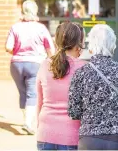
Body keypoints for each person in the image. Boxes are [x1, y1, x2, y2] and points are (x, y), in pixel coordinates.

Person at [68, 24, 118, 150]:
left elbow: (73, 112)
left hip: (90, 140)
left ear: (91, 46)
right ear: (113, 45)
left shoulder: (80, 74)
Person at [5, 0, 55, 135]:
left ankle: (26, 120)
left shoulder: (15, 27)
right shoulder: (41, 28)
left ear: (23, 11)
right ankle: (28, 123)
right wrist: (52, 60)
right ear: (36, 11)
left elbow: (8, 47)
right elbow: (51, 48)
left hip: (16, 65)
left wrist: (19, 51)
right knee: (32, 93)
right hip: (35, 63)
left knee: (23, 93)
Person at [36, 22, 86, 150]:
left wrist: (39, 127)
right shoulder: (84, 68)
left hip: (45, 134)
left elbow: (39, 102)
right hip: (72, 136)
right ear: (79, 43)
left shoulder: (45, 65)